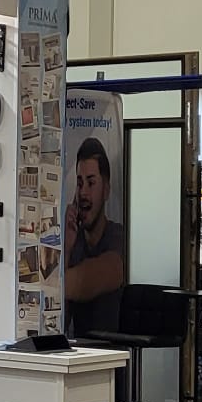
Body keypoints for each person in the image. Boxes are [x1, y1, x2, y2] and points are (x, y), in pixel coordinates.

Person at [65, 136, 125, 334]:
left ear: (106, 190)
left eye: (91, 183)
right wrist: (65, 248)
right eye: (79, 183)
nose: (83, 193)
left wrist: (51, 285)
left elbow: (77, 284)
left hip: (112, 355)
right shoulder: (74, 241)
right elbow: (57, 315)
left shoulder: (118, 238)